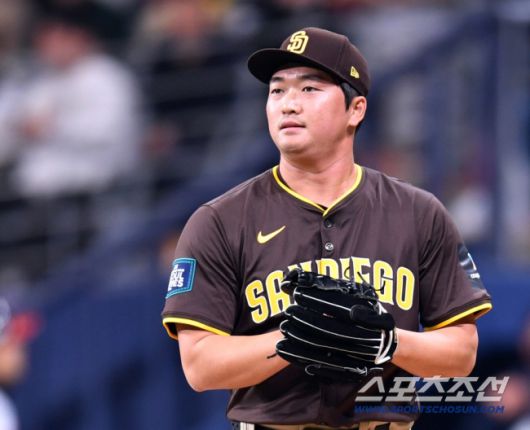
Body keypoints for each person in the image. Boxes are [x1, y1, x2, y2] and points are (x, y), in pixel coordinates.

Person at [161, 27, 492, 429]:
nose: (288, 104)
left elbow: (461, 353)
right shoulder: (220, 220)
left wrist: (386, 342)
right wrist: (296, 337)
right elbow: (199, 365)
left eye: (309, 89)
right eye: (277, 90)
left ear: (356, 110)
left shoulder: (419, 212)